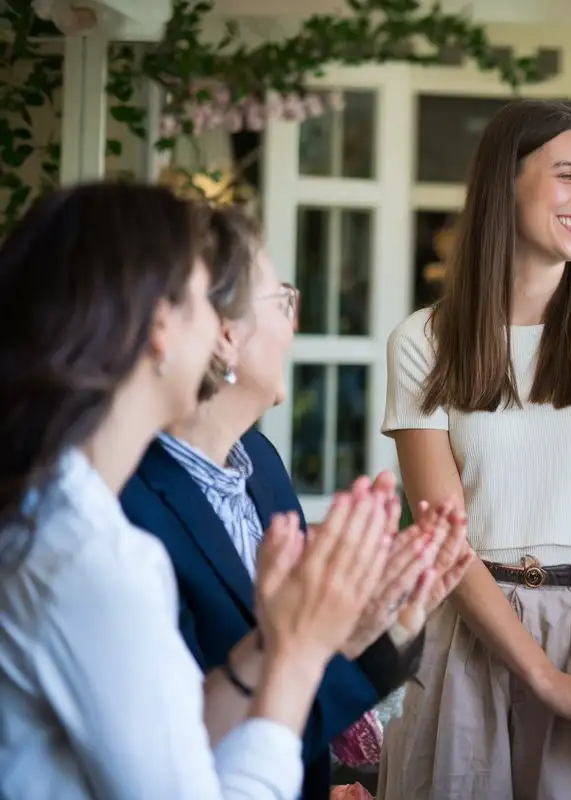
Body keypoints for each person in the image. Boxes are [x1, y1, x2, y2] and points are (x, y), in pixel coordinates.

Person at [0, 182, 390, 798]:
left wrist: (282, 637)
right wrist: (295, 656)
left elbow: (180, 735)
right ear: (161, 326)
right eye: (205, 302)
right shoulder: (93, 554)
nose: (219, 330)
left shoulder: (48, 505)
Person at [120, 206, 474, 800]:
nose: (296, 322)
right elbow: (181, 745)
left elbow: (298, 689)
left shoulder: (258, 464)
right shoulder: (129, 509)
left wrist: (388, 622)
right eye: (283, 301)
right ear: (226, 334)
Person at [377, 99, 571, 799]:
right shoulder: (424, 340)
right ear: (505, 182)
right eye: (569, 174)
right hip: (468, 632)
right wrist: (545, 680)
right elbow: (442, 533)